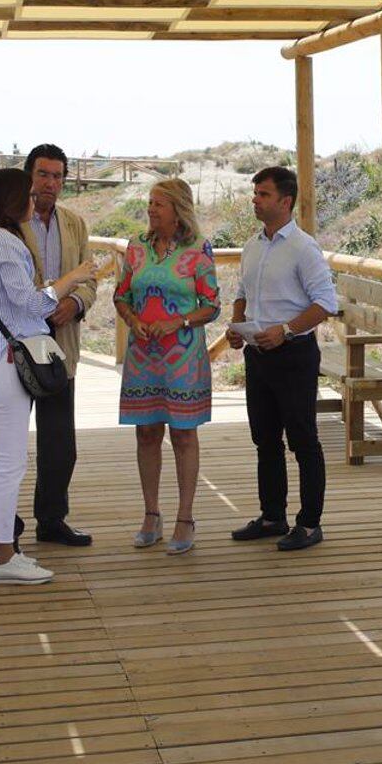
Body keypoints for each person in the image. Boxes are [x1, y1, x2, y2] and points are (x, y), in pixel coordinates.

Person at [0, 167, 99, 585]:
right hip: (9, 358)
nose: (36, 198)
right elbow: (31, 304)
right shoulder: (6, 244)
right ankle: (5, 556)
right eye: (29, 192)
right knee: (10, 462)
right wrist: (72, 279)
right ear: (14, 200)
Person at [229, 165, 338, 551]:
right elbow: (243, 291)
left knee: (303, 440)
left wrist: (286, 330)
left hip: (293, 355)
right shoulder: (253, 245)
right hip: (258, 356)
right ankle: (273, 516)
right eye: (255, 193)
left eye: (263, 194)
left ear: (285, 201)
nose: (255, 200)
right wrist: (237, 324)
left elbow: (326, 303)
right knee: (265, 440)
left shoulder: (303, 248)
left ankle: (309, 524)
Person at [113, 178, 219, 556]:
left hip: (183, 358)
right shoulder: (136, 247)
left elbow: (212, 305)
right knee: (146, 433)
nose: (151, 209)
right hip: (143, 355)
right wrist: (131, 319)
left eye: (158, 203)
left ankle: (185, 517)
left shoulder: (198, 250)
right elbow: (121, 294)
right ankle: (151, 514)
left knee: (184, 435)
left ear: (177, 209)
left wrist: (180, 321)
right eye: (150, 202)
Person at [20, 144, 97, 547]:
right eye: (43, 174)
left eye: (57, 176)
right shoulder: (5, 222)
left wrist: (74, 303)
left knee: (60, 444)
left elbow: (90, 278)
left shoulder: (74, 223)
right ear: (28, 175)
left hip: (60, 341)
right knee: (10, 443)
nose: (50, 183)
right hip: (15, 344)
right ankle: (1, 526)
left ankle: (51, 521)